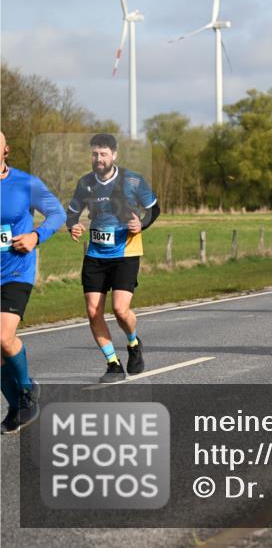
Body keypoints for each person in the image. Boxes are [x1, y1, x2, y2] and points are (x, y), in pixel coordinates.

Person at [65, 133, 159, 383]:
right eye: (95, 154)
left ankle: (133, 342)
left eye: (104, 154)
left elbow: (153, 209)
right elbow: (72, 212)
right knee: (93, 311)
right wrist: (72, 226)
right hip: (95, 254)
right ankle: (113, 364)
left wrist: (142, 224)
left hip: (125, 252)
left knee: (119, 309)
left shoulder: (132, 181)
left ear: (114, 155)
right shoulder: (85, 183)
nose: (99, 158)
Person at [1, 131, 66, 433]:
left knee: (3, 336)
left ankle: (25, 391)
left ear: (6, 150)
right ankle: (17, 405)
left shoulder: (25, 182)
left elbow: (56, 213)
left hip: (16, 270)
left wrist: (35, 236)